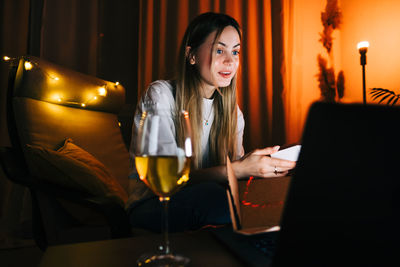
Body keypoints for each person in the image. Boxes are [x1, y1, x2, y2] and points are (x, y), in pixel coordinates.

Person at [126, 12, 296, 233]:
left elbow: (233, 179)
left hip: (205, 201)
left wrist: (255, 167)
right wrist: (237, 169)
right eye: (219, 50)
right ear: (192, 55)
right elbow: (166, 179)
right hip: (151, 204)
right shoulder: (160, 95)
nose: (230, 60)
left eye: (235, 51)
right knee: (216, 199)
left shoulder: (233, 113)